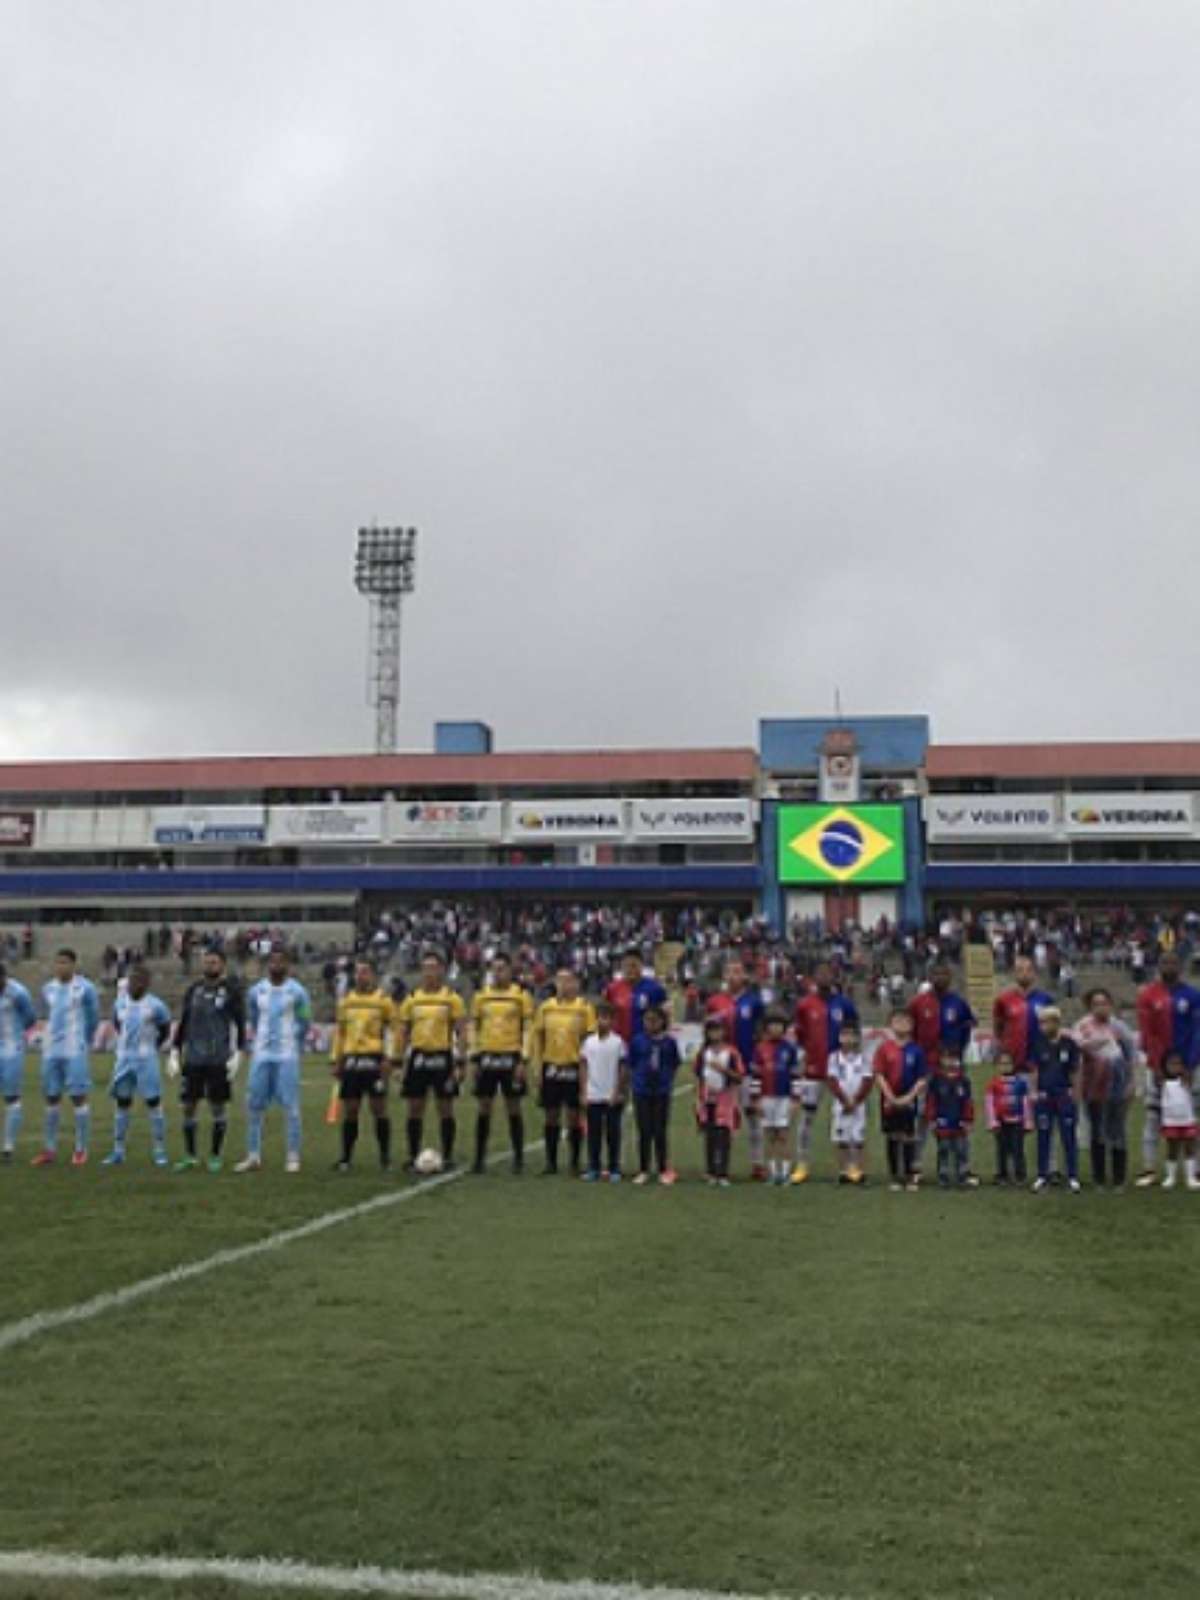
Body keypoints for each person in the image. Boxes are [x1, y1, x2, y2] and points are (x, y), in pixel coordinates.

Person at [235, 946, 312, 1174]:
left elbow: (305, 1020)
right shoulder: (256, 991)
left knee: (291, 1106)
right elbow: (254, 1016)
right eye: (273, 961)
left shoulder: (298, 992)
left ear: (288, 965)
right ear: (268, 964)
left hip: (287, 1056)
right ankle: (253, 1155)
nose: (277, 965)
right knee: (254, 1105)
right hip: (262, 1055)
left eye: (281, 961)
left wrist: (293, 1040)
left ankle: (293, 1155)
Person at [170, 948, 245, 1173]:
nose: (209, 966)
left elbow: (240, 1023)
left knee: (217, 1106)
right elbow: (184, 1021)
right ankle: (190, 1155)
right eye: (206, 962)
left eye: (214, 962)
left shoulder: (231, 991)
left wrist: (238, 1053)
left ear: (222, 965)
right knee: (188, 1106)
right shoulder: (194, 990)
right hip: (193, 1058)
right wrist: (175, 1050)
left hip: (218, 1058)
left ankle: (215, 1155)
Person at [394, 950, 468, 1172]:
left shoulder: (451, 999)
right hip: (418, 1057)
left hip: (442, 1057)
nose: (429, 973)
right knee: (414, 1107)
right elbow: (403, 1032)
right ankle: (413, 1154)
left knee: (445, 1107)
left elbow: (461, 1031)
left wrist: (461, 1061)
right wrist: (398, 1063)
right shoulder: (412, 1000)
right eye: (426, 968)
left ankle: (448, 1155)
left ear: (442, 971)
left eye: (434, 968)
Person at [1134, 951, 1200, 1187]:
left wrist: (1191, 1065)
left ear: (1180, 966)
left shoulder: (1192, 995)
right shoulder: (1148, 995)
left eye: (1173, 962)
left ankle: (1195, 1170)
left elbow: (1196, 1031)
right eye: (1164, 962)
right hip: (1158, 1068)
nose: (1169, 966)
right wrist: (1157, 1064)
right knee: (1153, 1117)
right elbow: (1147, 1032)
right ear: (1158, 966)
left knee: (1193, 1117)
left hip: (1190, 1068)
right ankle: (1149, 1168)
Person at [790, 961, 858, 1185]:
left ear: (835, 976)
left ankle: (849, 1166)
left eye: (828, 973)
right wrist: (804, 1059)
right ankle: (802, 1164)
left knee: (847, 1117)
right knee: (807, 1117)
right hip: (814, 1070)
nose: (824, 977)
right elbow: (800, 1035)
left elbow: (854, 1033)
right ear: (813, 978)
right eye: (820, 973)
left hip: (840, 1072)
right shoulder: (805, 1005)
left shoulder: (845, 1005)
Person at [32, 949, 100, 1168]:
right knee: (51, 1098)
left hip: (74, 1050)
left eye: (65, 962)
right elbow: (43, 1016)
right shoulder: (48, 988)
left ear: (73, 965)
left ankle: (81, 1149)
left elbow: (93, 1017)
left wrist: (85, 1041)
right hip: (51, 1051)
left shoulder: (85, 988)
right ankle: (49, 1149)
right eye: (58, 962)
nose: (60, 966)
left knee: (78, 1097)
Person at [469, 952, 535, 1175]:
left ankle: (518, 1159)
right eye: (494, 969)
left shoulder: (521, 997)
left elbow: (527, 1029)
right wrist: (475, 1057)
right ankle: (479, 1159)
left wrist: (523, 1060)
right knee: (484, 1107)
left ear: (510, 971)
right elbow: (474, 1028)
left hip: (511, 1057)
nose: (498, 973)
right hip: (487, 1056)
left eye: (502, 968)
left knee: (513, 1107)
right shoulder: (481, 997)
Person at [330, 956, 396, 1172]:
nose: (361, 976)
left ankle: (385, 1158)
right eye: (358, 972)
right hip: (351, 1060)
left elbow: (392, 1031)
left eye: (366, 971)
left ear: (373, 975)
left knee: (379, 1109)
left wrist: (388, 1058)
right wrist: (336, 1059)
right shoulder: (346, 1001)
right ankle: (346, 1158)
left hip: (374, 1060)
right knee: (351, 1110)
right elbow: (340, 1033)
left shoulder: (383, 1001)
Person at [104, 965, 172, 1168]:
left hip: (146, 1059)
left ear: (147, 983)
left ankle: (159, 1150)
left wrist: (153, 1047)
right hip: (123, 1059)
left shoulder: (156, 1006)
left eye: (140, 981)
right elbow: (117, 1024)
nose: (135, 985)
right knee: (122, 1103)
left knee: (153, 1102)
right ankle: (118, 1151)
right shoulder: (120, 1003)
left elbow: (165, 1028)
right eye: (132, 980)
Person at [705, 960, 766, 1178]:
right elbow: (708, 1033)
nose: (733, 976)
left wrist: (759, 1060)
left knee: (752, 1116)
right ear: (724, 975)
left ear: (745, 976)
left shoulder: (754, 1002)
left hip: (747, 1068)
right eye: (730, 972)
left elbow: (762, 1034)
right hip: (721, 1069)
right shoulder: (715, 1002)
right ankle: (720, 1164)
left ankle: (757, 1163)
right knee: (721, 1119)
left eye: (738, 971)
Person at [533, 968, 596, 1176]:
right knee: (551, 1116)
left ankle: (575, 1162)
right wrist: (538, 1069)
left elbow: (590, 1041)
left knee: (573, 1117)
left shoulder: (584, 1008)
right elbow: (539, 1039)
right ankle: (551, 1163)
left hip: (573, 1067)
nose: (564, 985)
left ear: (576, 984)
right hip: (551, 1066)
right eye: (560, 980)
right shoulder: (545, 1008)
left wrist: (587, 1072)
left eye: (568, 981)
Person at [1074, 986, 1137, 1188]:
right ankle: (1099, 1178)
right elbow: (1076, 1057)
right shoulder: (1082, 1027)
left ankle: (1119, 1178)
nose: (1100, 1007)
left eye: (1104, 1003)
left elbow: (1131, 1057)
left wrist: (1131, 1082)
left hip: (1117, 1087)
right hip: (1093, 1088)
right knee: (1097, 1132)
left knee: (1117, 1131)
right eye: (1096, 1004)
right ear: (1089, 1006)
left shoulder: (1120, 1029)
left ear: (1110, 1005)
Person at [873, 1009, 929, 1191]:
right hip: (889, 1100)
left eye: (906, 1021)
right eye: (898, 1020)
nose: (901, 1024)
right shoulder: (884, 1048)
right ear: (890, 1024)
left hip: (909, 1099)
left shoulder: (917, 1050)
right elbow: (879, 1075)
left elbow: (922, 1078)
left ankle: (909, 1175)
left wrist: (909, 1097)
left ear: (912, 1026)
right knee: (892, 1136)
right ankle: (894, 1176)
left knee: (909, 1137)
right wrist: (890, 1096)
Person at [1029, 1006, 1081, 1194]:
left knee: (1068, 1136)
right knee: (1044, 1135)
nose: (1042, 1026)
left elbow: (1075, 1071)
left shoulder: (1069, 1044)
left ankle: (1073, 1176)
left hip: (1064, 1094)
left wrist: (1075, 1092)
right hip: (1044, 1095)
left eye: (1045, 1022)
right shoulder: (1038, 1044)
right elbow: (1034, 1070)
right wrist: (1034, 1091)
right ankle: (1043, 1175)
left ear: (1056, 1022)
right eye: (1040, 1022)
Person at [628, 1004, 681, 1185]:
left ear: (662, 1022)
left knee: (659, 1130)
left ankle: (662, 1168)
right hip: (641, 1090)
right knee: (644, 1130)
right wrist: (637, 1081)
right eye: (647, 1020)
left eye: (655, 1021)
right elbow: (632, 1063)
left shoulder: (669, 1043)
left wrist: (666, 1080)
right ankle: (643, 1169)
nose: (651, 1024)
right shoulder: (638, 1041)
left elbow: (674, 1063)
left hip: (661, 1091)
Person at [749, 1009, 802, 1186]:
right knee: (769, 1135)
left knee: (783, 1135)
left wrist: (795, 1099)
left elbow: (795, 1075)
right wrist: (755, 1099)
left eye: (779, 1026)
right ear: (766, 1028)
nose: (776, 1029)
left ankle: (785, 1172)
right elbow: (755, 1076)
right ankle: (772, 1172)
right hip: (766, 1097)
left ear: (785, 1028)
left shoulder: (790, 1049)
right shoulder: (760, 1049)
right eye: (772, 1025)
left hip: (784, 1097)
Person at [694, 1015, 744, 1187]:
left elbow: (739, 1076)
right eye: (711, 1030)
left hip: (726, 1098)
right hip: (708, 1097)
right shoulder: (703, 1053)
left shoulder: (731, 1052)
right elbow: (699, 1076)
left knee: (724, 1135)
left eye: (718, 1030)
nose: (715, 1034)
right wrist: (699, 1099)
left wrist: (724, 1070)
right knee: (710, 1135)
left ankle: (723, 1172)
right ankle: (711, 1171)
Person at [580, 1000, 627, 1183]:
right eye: (599, 1018)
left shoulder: (618, 1042)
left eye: (606, 1018)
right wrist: (583, 1091)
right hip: (593, 1093)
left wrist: (617, 1091)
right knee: (594, 1133)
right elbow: (583, 1066)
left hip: (611, 1095)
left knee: (613, 1133)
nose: (602, 1022)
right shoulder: (589, 1042)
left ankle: (614, 1167)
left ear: (613, 1021)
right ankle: (594, 1167)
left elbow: (623, 1068)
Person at [827, 1020, 873, 1186]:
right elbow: (832, 1081)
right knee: (842, 1140)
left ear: (858, 1038)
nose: (848, 1039)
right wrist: (844, 1100)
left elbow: (868, 1081)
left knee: (859, 1139)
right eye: (844, 1035)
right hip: (841, 1105)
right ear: (839, 1038)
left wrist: (856, 1100)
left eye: (852, 1035)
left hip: (859, 1105)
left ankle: (859, 1171)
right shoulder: (834, 1058)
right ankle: (844, 1171)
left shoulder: (864, 1059)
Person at [908, 960, 976, 1071]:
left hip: (952, 1060)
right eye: (936, 974)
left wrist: (959, 1049)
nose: (940, 977)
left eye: (944, 974)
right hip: (925, 1061)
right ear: (930, 977)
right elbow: (910, 1030)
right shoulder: (917, 1002)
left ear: (950, 977)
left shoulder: (959, 1002)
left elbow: (967, 1028)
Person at [992, 954, 1054, 1071]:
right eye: (1020, 970)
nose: (1024, 973)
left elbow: (1052, 1030)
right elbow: (998, 1028)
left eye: (1029, 970)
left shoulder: (1046, 999)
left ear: (1034, 973)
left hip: (1039, 1060)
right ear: (1014, 974)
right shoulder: (1003, 999)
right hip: (1012, 1060)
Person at [0, 963, 36, 1162]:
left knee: (12, 1097)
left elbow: (30, 1018)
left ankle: (8, 1146)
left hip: (12, 1050)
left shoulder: (18, 993)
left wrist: (17, 1036)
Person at [925, 1052, 975, 1189]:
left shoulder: (964, 1081)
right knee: (943, 1149)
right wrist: (931, 1119)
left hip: (960, 1124)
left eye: (954, 1059)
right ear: (941, 1060)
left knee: (961, 1150)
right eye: (947, 1058)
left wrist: (968, 1120)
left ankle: (963, 1175)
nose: (951, 1062)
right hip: (942, 1123)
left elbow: (968, 1102)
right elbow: (931, 1101)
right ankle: (943, 1176)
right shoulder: (936, 1080)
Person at [984, 1049, 1033, 1186]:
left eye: (1008, 1063)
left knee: (1018, 1149)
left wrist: (1028, 1121)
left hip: (1017, 1121)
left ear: (1013, 1065)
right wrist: (992, 1122)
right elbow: (989, 1103)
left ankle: (1020, 1175)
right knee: (1002, 1150)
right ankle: (1002, 1175)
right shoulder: (993, 1084)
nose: (1005, 1066)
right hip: (1001, 1122)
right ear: (997, 1066)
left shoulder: (1021, 1083)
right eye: (1002, 1063)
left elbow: (1025, 1102)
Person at [605, 950, 668, 1047]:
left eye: (634, 965)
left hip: (646, 1046)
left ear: (641, 966)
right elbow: (606, 1016)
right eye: (626, 966)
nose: (630, 969)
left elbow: (665, 1016)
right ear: (621, 967)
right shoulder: (612, 988)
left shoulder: (655, 988)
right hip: (619, 1045)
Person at [1158, 1049, 1200, 1190]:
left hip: (1187, 1120)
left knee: (1190, 1148)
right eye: (1172, 1064)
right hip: (1170, 1121)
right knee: (1172, 1149)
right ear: (1166, 1065)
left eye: (1179, 1064)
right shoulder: (1162, 1081)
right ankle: (1171, 1176)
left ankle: (1190, 1177)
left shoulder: (1186, 1079)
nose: (1176, 1067)